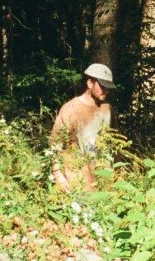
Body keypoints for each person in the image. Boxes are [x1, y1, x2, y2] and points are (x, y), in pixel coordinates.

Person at [49, 62, 115, 192]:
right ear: (90, 83)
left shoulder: (107, 109)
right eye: (102, 86)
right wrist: (58, 175)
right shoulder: (70, 109)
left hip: (103, 179)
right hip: (78, 181)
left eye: (108, 87)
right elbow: (55, 144)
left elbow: (113, 141)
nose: (106, 91)